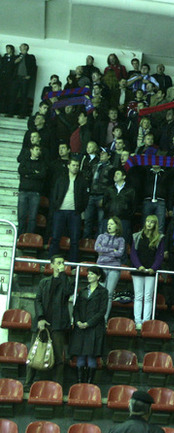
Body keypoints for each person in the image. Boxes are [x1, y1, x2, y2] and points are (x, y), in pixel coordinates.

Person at [25, 255, 71, 389]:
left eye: (62, 263)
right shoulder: (44, 282)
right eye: (58, 263)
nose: (61, 265)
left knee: (58, 357)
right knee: (34, 352)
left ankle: (58, 386)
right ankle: (28, 383)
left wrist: (63, 275)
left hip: (58, 324)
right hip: (42, 322)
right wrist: (40, 318)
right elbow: (38, 300)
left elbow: (68, 292)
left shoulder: (66, 281)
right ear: (52, 265)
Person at [70, 266, 107, 384]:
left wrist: (88, 323)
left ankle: (89, 384)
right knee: (80, 356)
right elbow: (76, 308)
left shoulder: (103, 292)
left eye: (91, 274)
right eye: (88, 274)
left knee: (91, 356)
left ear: (98, 276)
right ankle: (80, 383)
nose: (88, 276)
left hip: (94, 328)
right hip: (80, 328)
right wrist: (77, 321)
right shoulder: (83, 291)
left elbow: (102, 311)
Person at [48, 158, 89, 261]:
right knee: (55, 238)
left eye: (77, 166)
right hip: (60, 211)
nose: (75, 167)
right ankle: (51, 261)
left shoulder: (82, 181)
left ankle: (73, 264)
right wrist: (56, 205)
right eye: (73, 165)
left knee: (75, 240)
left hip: (74, 212)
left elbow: (85, 198)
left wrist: (79, 209)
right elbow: (54, 193)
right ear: (68, 166)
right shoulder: (61, 179)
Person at [130, 215, 165, 329]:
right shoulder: (137, 236)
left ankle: (146, 321)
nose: (149, 224)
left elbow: (160, 256)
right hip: (138, 270)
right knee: (138, 296)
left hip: (151, 271)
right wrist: (139, 266)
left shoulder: (159, 238)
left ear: (155, 224)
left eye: (152, 222)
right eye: (147, 221)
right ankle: (137, 322)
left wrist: (153, 268)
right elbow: (133, 254)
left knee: (148, 297)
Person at [95, 217, 126, 321]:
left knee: (108, 294)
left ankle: (104, 318)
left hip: (114, 267)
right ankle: (96, 317)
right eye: (108, 224)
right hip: (101, 266)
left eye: (112, 224)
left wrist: (104, 251)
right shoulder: (101, 236)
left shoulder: (121, 240)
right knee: (100, 293)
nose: (109, 226)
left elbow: (120, 253)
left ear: (117, 226)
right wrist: (113, 250)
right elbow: (97, 248)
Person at [17, 143, 46, 235]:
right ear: (31, 150)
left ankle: (30, 237)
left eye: (39, 150)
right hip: (23, 191)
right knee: (21, 216)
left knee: (33, 217)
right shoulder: (25, 160)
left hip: (35, 193)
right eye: (36, 149)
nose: (38, 152)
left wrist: (28, 175)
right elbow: (21, 171)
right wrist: (34, 172)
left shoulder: (42, 163)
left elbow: (42, 175)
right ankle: (20, 236)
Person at [9, 43, 37, 117]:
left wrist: (30, 76)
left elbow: (33, 67)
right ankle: (10, 112)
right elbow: (11, 66)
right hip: (16, 78)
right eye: (21, 46)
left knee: (24, 96)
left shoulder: (31, 57)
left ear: (26, 47)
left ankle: (22, 113)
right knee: (13, 95)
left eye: (22, 46)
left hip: (24, 78)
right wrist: (15, 61)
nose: (21, 47)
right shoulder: (17, 57)